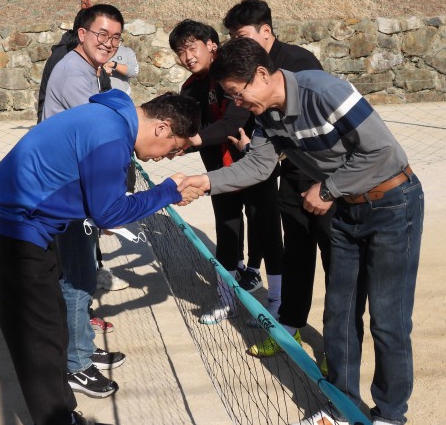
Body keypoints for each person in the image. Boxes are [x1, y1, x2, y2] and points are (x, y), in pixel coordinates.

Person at [179, 37, 424, 425]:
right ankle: (341, 405)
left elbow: (383, 153)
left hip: (392, 204)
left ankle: (391, 415)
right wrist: (203, 182)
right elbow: (257, 167)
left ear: (262, 74)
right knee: (339, 314)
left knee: (387, 319)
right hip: (346, 210)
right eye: (230, 97)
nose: (237, 103)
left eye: (237, 93)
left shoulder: (324, 91)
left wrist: (327, 188)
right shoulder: (267, 116)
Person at [0, 90, 201, 425]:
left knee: (53, 324)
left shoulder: (110, 118)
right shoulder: (111, 137)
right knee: (39, 338)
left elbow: (97, 198)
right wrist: (168, 192)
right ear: (161, 128)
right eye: (174, 149)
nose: (169, 158)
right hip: (5, 229)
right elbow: (109, 213)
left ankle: (63, 413)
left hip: (24, 225)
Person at [223, 0, 333, 359]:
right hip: (290, 179)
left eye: (242, 36)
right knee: (296, 257)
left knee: (336, 266)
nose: (236, 44)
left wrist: (326, 186)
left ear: (266, 31)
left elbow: (321, 129)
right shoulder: (247, 72)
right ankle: (289, 329)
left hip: (327, 183)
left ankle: (337, 351)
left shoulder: (301, 64)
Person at [42, 4, 130, 398]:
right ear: (82, 34)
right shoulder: (74, 74)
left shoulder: (89, 70)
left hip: (76, 189)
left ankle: (82, 348)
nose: (108, 43)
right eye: (101, 34)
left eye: (115, 38)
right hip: (67, 192)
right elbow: (98, 136)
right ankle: (76, 365)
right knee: (77, 279)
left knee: (83, 274)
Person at [169, 19, 281, 325]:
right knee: (227, 231)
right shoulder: (190, 88)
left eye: (192, 48)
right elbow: (192, 129)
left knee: (267, 231)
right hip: (218, 173)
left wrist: (189, 141)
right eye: (180, 52)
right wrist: (174, 143)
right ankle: (227, 300)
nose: (187, 57)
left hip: (255, 165)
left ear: (211, 45)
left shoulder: (232, 76)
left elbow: (231, 124)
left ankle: (276, 301)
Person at [95, 43, 140, 292]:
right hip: (104, 115)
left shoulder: (126, 52)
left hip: (120, 111)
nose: (110, 41)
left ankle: (123, 198)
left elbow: (133, 71)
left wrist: (112, 65)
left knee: (124, 163)